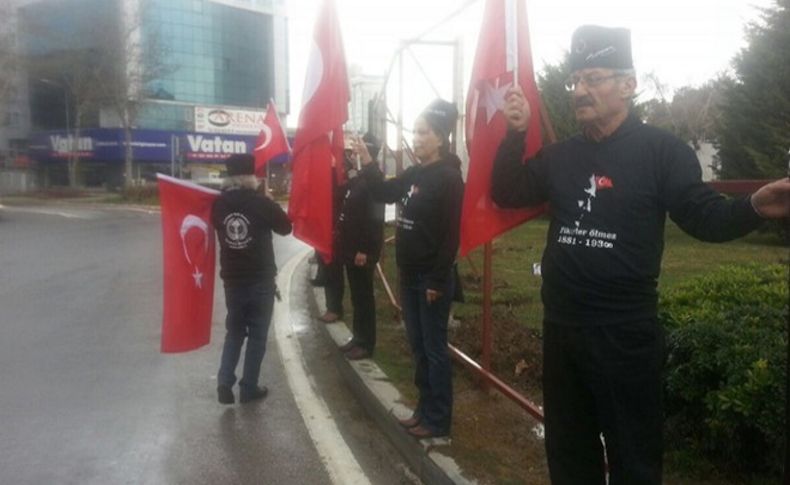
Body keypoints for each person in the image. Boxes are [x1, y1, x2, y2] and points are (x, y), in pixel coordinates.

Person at [490, 25, 790, 484]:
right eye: (576, 81)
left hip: (624, 337)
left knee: (634, 462)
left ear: (628, 85)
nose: (581, 91)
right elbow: (507, 190)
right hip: (562, 330)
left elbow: (703, 218)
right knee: (569, 458)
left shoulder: (661, 153)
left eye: (594, 78)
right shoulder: (560, 157)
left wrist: (753, 207)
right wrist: (516, 133)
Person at [359, 99, 465, 439]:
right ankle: (423, 410)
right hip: (409, 275)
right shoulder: (416, 173)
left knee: (434, 350)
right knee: (419, 347)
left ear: (440, 137)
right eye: (415, 132)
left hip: (431, 279)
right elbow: (385, 192)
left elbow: (451, 236)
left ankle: (438, 419)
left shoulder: (449, 178)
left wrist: (437, 278)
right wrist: (368, 162)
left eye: (424, 132)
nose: (416, 139)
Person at [212, 154, 292, 405]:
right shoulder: (261, 203)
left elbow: (216, 225)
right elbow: (286, 227)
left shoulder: (218, 204)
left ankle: (225, 381)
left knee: (234, 331)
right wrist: (268, 201)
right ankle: (248, 387)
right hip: (260, 279)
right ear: (251, 177)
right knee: (257, 334)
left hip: (232, 281)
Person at [330, 133, 386, 360]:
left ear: (368, 152)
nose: (352, 156)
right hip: (351, 249)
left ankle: (366, 343)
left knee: (364, 298)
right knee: (356, 297)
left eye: (356, 151)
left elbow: (374, 219)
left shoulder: (373, 180)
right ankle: (358, 338)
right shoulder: (359, 178)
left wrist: (365, 249)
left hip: (362, 251)